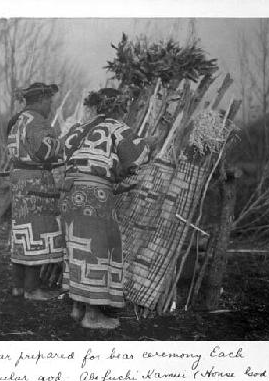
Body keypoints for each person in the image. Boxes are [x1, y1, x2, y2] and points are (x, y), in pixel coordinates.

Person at [60, 88, 155, 329]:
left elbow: (64, 151)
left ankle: (77, 307)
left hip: (71, 194)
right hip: (95, 195)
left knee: (77, 245)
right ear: (119, 108)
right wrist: (148, 143)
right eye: (124, 108)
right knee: (97, 247)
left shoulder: (81, 128)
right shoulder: (116, 128)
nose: (125, 112)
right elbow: (138, 155)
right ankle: (92, 316)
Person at [6, 82, 65, 301]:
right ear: (40, 101)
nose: (50, 107)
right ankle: (32, 290)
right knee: (37, 231)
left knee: (23, 232)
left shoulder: (17, 120)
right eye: (49, 102)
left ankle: (18, 287)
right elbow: (45, 150)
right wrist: (63, 144)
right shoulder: (37, 122)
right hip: (36, 183)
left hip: (20, 181)